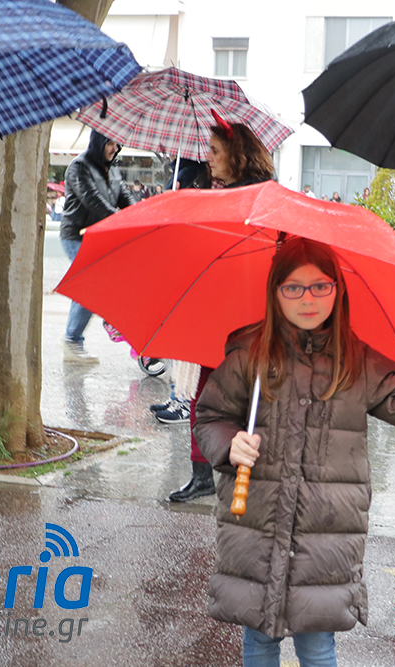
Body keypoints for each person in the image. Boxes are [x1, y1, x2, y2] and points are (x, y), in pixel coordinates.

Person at [194, 238, 395, 665]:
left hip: (327, 531)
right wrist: (230, 443)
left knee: (318, 645)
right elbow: (210, 416)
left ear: (337, 290)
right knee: (259, 639)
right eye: (293, 287)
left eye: (320, 286)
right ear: (274, 292)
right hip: (257, 525)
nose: (308, 299)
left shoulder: (356, 360)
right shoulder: (251, 353)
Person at [166, 115, 275, 502]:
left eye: (215, 151)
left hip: (247, 313)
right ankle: (201, 474)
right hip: (210, 306)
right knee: (203, 394)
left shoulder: (261, 196)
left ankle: (249, 471)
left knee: (247, 395)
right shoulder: (206, 188)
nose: (208, 158)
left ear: (236, 154)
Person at [60, 131, 136, 362]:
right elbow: (92, 200)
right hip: (77, 236)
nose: (114, 148)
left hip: (101, 237)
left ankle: (110, 319)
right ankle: (73, 341)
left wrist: (138, 213)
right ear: (98, 142)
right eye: (109, 143)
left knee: (107, 279)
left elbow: (124, 196)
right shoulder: (79, 167)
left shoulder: (112, 169)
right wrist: (120, 218)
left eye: (117, 143)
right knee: (90, 284)